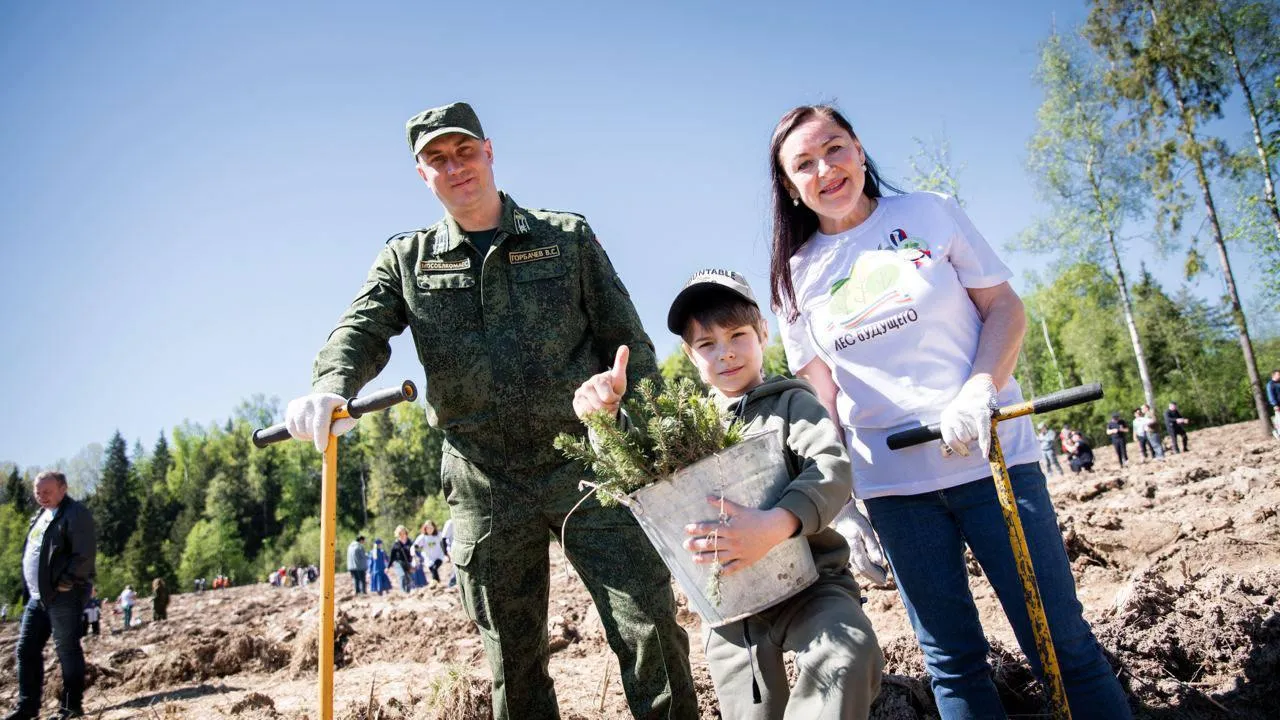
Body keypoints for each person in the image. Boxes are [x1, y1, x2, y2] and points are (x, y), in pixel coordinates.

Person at [282, 101, 695, 719]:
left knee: (647, 626)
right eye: (437, 159)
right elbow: (358, 332)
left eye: (464, 151)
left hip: (585, 463)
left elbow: (628, 345)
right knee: (513, 657)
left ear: (489, 151)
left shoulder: (566, 238)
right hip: (484, 480)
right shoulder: (407, 260)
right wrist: (330, 384)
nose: (455, 167)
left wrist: (662, 451)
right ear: (422, 174)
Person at [767, 104, 1130, 718]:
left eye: (834, 149)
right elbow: (821, 397)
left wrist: (979, 388)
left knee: (1063, 648)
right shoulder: (795, 277)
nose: (825, 169)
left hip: (994, 462)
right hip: (895, 489)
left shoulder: (928, 213)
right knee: (953, 664)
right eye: (804, 163)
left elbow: (1005, 309)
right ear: (789, 186)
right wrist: (841, 505)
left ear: (858, 148)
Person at [574, 269, 886, 717]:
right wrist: (606, 419)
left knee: (849, 654)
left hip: (813, 584)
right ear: (690, 354)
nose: (726, 353)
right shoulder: (683, 427)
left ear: (762, 332)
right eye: (707, 344)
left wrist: (774, 525)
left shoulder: (792, 403)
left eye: (737, 334)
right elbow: (636, 471)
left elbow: (832, 468)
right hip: (729, 609)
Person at [6, 470, 96, 720]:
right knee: (26, 650)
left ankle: (71, 707)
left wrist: (66, 583)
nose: (41, 497)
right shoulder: (41, 515)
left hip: (62, 596)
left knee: (66, 649)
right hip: (37, 598)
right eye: (37, 492)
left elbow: (84, 554)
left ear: (63, 489)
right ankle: (27, 708)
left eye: (47, 492)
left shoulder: (75, 514)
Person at [413, 521, 446, 585]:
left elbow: (444, 542)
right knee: (433, 570)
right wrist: (414, 551)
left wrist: (446, 553)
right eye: (428, 528)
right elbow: (415, 546)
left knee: (434, 568)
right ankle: (438, 583)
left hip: (439, 556)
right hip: (428, 558)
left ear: (434, 528)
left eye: (431, 528)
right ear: (425, 529)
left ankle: (435, 584)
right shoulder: (423, 537)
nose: (430, 529)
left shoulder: (438, 535)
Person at [390, 526, 414, 593]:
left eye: (404, 533)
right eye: (400, 534)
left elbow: (414, 552)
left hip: (408, 562)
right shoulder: (396, 544)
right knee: (402, 575)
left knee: (408, 577)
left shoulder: (410, 542)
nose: (402, 535)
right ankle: (403, 592)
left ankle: (408, 592)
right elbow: (392, 556)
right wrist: (388, 567)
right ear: (398, 535)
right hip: (398, 563)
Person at [440, 517, 457, 588]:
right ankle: (450, 585)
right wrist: (446, 553)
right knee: (456, 569)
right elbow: (443, 539)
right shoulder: (450, 522)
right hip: (452, 550)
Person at [1268, 369, 1280, 440]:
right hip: (1278, 405)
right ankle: (1277, 433)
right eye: (1278, 374)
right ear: (1274, 375)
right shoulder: (1270, 385)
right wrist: (1275, 404)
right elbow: (1271, 395)